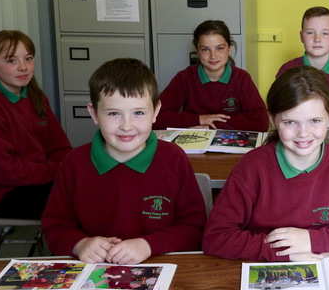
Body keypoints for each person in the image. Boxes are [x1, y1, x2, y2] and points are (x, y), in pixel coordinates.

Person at [202, 66, 329, 261]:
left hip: (328, 266)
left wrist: (311, 240)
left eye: (315, 120)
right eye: (290, 122)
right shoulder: (251, 167)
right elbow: (216, 238)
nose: (303, 133)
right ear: (273, 120)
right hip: (268, 267)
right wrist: (286, 253)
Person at [42, 58, 206, 264]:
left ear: (155, 111)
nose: (126, 126)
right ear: (94, 113)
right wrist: (80, 244)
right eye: (113, 113)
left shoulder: (174, 159)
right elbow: (55, 226)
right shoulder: (74, 163)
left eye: (138, 113)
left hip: (159, 268)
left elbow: (194, 228)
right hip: (94, 275)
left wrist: (148, 245)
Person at [0, 30, 71, 219]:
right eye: (11, 60)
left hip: (39, 180)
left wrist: (66, 169)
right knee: (85, 202)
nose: (23, 67)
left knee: (99, 186)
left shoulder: (35, 97)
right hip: (5, 194)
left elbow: (59, 146)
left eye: (28, 58)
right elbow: (4, 170)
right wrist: (57, 171)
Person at [155, 20, 268, 131]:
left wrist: (212, 124)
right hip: (194, 145)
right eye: (205, 49)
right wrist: (199, 119)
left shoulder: (242, 78)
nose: (213, 56)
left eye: (220, 48)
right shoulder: (184, 78)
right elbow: (156, 117)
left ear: (229, 49)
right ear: (197, 51)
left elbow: (261, 122)